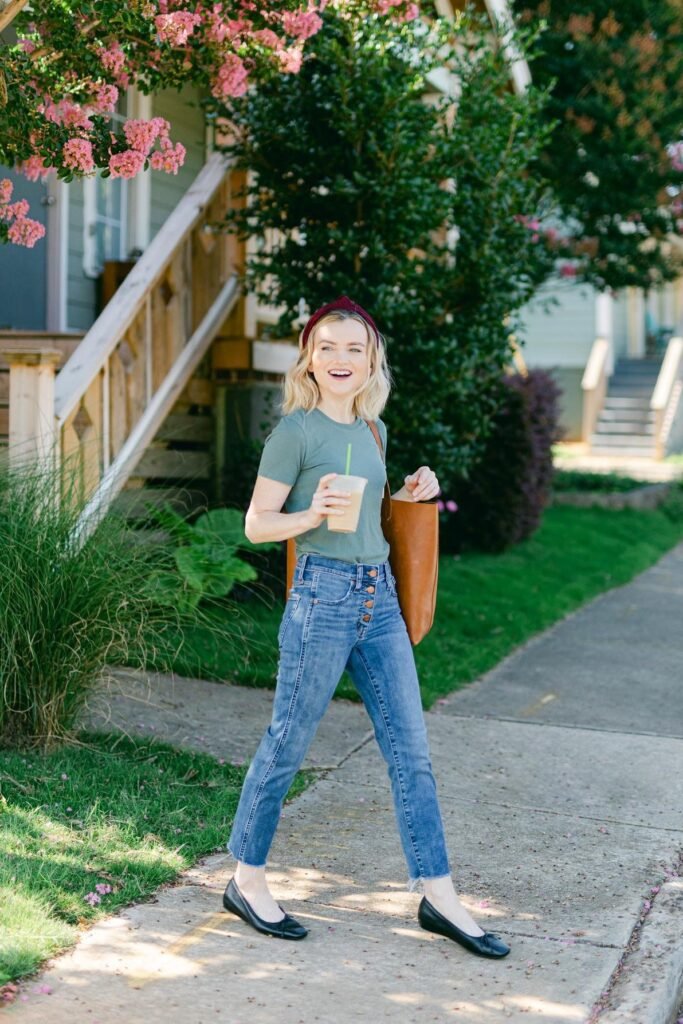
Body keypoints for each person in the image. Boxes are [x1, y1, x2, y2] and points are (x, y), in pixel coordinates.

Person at [223, 296, 510, 959]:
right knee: (286, 743)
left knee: (411, 752)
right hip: (320, 596)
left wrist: (404, 500)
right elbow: (257, 524)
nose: (340, 359)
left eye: (354, 349)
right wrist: (309, 514)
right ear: (309, 359)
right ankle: (246, 879)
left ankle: (438, 896)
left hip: (377, 602)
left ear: (371, 360)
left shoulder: (371, 433)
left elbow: (368, 518)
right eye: (327, 347)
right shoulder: (293, 433)